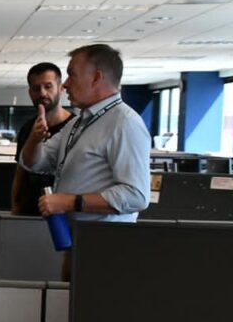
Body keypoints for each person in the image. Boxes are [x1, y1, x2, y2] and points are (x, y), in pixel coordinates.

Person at [21, 43, 150, 223]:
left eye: (72, 75)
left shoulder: (124, 123)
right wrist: (35, 140)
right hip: (76, 237)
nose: (65, 84)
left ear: (96, 78)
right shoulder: (78, 123)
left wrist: (71, 202)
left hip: (103, 240)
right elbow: (34, 163)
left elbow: (136, 195)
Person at [11, 63, 74, 215]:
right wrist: (15, 206)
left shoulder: (75, 128)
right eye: (36, 88)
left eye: (48, 86)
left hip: (61, 214)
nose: (42, 93)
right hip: (28, 211)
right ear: (30, 92)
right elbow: (20, 172)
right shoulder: (28, 128)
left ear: (60, 88)